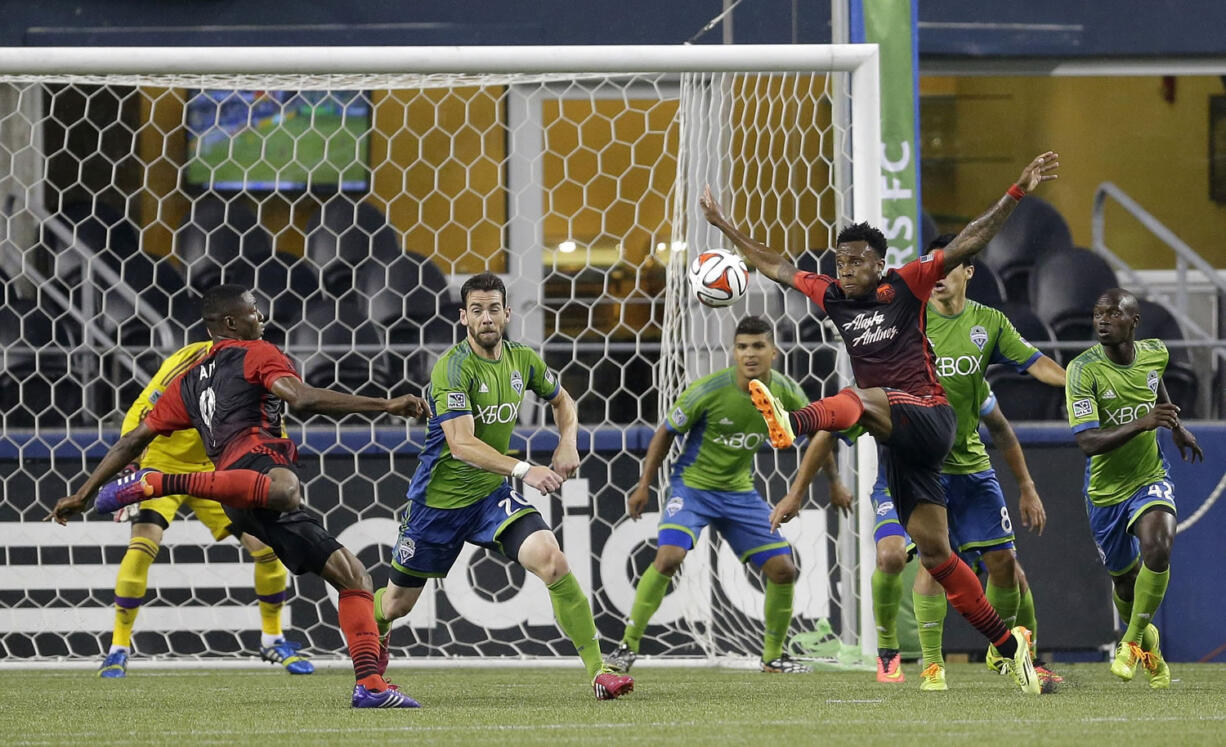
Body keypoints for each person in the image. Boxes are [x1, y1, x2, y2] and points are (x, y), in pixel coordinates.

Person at [700, 151, 1059, 695]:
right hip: (899, 446)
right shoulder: (832, 295)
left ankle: (790, 422)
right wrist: (726, 226)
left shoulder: (909, 283)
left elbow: (969, 240)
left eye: (856, 261)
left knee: (858, 398)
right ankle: (1012, 652)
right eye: (840, 261)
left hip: (929, 414)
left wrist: (1017, 190)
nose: (844, 269)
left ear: (879, 264)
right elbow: (773, 263)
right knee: (937, 556)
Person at [48, 285, 429, 709]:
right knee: (286, 492)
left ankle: (369, 686)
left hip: (231, 490)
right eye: (254, 311)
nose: (261, 317)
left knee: (353, 575)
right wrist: (386, 404)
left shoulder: (189, 380)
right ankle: (162, 486)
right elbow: (301, 399)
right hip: (252, 468)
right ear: (231, 322)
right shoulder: (258, 352)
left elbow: (135, 437)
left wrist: (83, 493)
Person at [371, 272, 634, 701]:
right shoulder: (451, 368)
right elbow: (459, 444)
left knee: (552, 561)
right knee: (396, 605)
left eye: (494, 308)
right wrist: (524, 469)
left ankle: (599, 671)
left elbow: (562, 399)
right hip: (439, 504)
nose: (486, 317)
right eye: (477, 310)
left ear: (507, 313)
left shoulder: (523, 360)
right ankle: (373, 629)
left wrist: (568, 442)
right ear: (463, 317)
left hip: (491, 496)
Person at [604, 315, 846, 675]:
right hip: (693, 488)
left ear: (774, 352)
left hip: (739, 492)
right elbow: (665, 433)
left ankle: (773, 658)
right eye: (742, 347)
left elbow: (821, 435)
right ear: (733, 352)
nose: (750, 354)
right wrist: (644, 485)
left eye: (758, 346)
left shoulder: (786, 391)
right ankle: (627, 646)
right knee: (669, 557)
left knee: (784, 570)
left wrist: (835, 482)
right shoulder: (709, 390)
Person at [99, 339, 312, 679]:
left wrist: (275, 470)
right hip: (162, 464)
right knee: (141, 549)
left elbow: (268, 422)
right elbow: (143, 409)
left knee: (267, 547)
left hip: (217, 468)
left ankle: (273, 638)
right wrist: (131, 468)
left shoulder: (257, 364)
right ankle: (118, 649)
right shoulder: (189, 361)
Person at [1066, 288, 1202, 688]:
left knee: (1158, 546)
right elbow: (1088, 442)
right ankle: (1148, 643)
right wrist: (1143, 423)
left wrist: (1175, 427)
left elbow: (1154, 381)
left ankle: (1128, 644)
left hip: (1149, 476)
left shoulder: (1155, 351)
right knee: (1124, 582)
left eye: (1112, 313)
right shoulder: (1083, 370)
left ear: (1134, 321)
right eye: (1097, 313)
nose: (1102, 320)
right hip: (1105, 491)